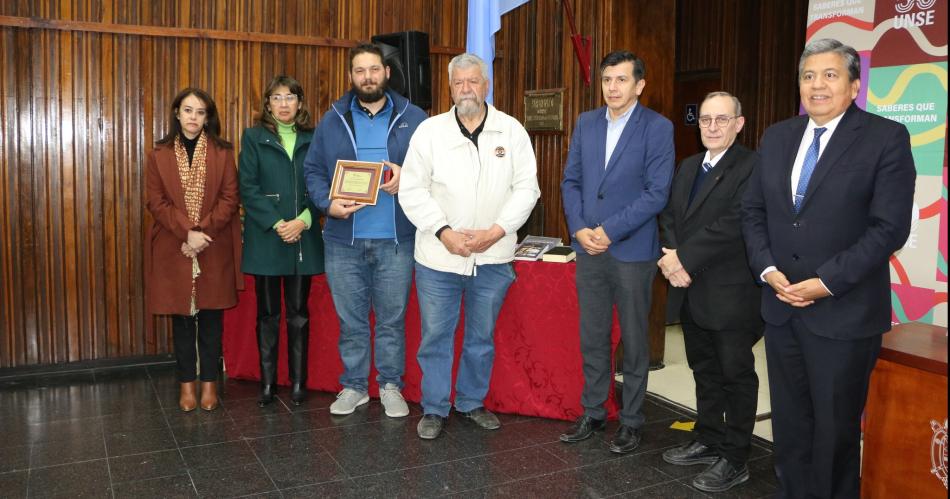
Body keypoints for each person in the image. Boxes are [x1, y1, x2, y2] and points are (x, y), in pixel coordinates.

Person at [741, 39, 915, 498]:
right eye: (808, 76)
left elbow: (887, 228)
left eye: (830, 75)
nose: (817, 85)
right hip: (781, 308)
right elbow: (753, 212)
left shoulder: (885, 138)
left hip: (843, 313)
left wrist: (825, 282)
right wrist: (767, 269)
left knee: (835, 434)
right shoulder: (777, 136)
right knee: (791, 426)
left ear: (854, 84)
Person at [399, 52, 540, 440]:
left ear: (486, 84)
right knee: (435, 338)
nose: (466, 89)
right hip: (438, 257)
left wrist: (497, 231)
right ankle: (433, 408)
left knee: (480, 337)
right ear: (450, 87)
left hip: (493, 256)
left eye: (473, 81)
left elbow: (527, 189)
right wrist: (443, 231)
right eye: (459, 82)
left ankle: (471, 402)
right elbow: (412, 190)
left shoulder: (511, 131)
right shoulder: (429, 132)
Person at [303, 43, 427, 418]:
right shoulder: (332, 119)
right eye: (360, 71)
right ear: (351, 76)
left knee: (392, 321)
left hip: (396, 240)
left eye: (374, 69)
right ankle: (354, 386)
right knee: (351, 321)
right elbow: (313, 171)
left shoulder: (415, 117)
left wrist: (408, 177)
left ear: (386, 73)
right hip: (344, 241)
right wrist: (327, 205)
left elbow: (435, 172)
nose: (368, 77)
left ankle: (390, 386)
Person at [559, 50, 674, 453]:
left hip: (631, 250)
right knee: (592, 336)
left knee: (635, 340)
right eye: (608, 79)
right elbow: (570, 182)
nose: (613, 87)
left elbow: (657, 193)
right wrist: (579, 228)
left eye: (622, 80)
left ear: (639, 85)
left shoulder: (657, 128)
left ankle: (632, 420)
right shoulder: (586, 123)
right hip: (588, 248)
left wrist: (608, 230)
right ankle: (593, 412)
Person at [657, 92, 763, 493]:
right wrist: (672, 259)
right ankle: (707, 438)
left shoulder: (752, 167)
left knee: (735, 375)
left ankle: (735, 457)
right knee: (704, 370)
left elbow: (735, 223)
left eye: (722, 119)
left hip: (730, 292)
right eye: (705, 120)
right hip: (689, 288)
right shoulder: (687, 166)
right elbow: (668, 215)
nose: (712, 127)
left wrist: (682, 258)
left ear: (739, 123)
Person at [145, 88, 242, 412]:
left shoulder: (222, 152)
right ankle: (187, 386)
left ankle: (210, 386)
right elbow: (156, 202)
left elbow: (230, 199)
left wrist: (202, 233)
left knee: (212, 320)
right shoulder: (158, 153)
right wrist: (187, 232)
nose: (193, 117)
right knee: (183, 323)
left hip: (213, 245)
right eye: (188, 110)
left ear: (207, 117)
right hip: (174, 245)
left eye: (200, 112)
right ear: (177, 113)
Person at [239, 75, 324, 407]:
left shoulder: (315, 138)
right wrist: (277, 223)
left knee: (299, 313)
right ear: (268, 104)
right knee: (268, 314)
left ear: (300, 103)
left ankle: (299, 382)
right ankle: (268, 384)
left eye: (290, 97)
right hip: (267, 238)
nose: (284, 104)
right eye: (277, 98)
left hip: (304, 236)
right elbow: (248, 187)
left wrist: (304, 220)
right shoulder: (253, 137)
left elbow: (325, 183)